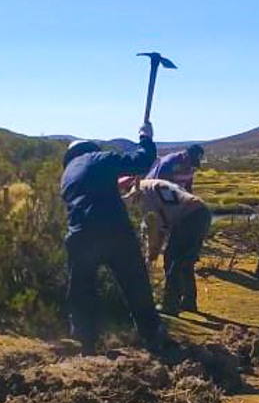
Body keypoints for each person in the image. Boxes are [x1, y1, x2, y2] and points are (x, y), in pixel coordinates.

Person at [61, 122, 162, 354]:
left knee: (81, 290)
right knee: (135, 285)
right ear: (90, 149)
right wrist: (145, 138)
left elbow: (93, 190)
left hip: (80, 237)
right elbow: (142, 160)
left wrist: (120, 184)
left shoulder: (67, 176)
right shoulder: (97, 158)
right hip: (115, 233)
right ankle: (153, 336)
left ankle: (84, 343)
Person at [135, 177, 211, 314]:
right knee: (184, 262)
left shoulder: (143, 193)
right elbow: (162, 226)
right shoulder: (151, 185)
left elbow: (154, 226)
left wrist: (152, 254)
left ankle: (170, 305)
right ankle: (188, 302)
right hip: (201, 213)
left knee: (172, 260)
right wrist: (155, 250)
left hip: (189, 217)